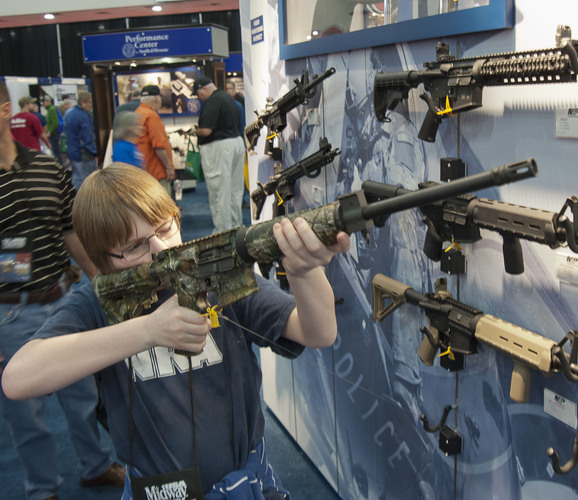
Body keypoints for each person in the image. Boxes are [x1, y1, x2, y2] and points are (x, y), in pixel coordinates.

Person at [1, 163, 351, 499]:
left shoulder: (215, 273)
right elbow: (18, 379)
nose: (161, 250)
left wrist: (304, 272)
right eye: (135, 246)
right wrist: (147, 331)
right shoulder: (95, 305)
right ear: (104, 260)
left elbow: (318, 333)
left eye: (165, 228)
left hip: (248, 481)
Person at [0, 79, 125, 500]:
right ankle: (41, 489)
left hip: (62, 299)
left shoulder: (47, 167)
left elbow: (70, 231)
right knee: (26, 413)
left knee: (83, 394)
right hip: (9, 313)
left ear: (5, 110)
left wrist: (100, 283)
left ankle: (94, 466)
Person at [192, 76, 245, 232]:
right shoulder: (228, 99)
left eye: (198, 94)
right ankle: (236, 229)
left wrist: (195, 131)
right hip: (236, 143)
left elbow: (206, 131)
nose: (198, 98)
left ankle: (222, 233)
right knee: (235, 191)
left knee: (219, 191)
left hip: (219, 148)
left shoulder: (213, 101)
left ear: (203, 88)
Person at [135, 85, 176, 196]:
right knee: (162, 209)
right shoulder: (151, 116)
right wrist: (169, 168)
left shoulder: (137, 113)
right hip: (156, 173)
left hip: (143, 173)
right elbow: (159, 145)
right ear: (157, 99)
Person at [64, 91, 98, 189]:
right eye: (90, 102)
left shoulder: (69, 112)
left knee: (77, 178)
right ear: (82, 102)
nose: (91, 105)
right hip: (84, 154)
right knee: (91, 181)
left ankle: (77, 199)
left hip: (72, 152)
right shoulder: (83, 116)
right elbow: (87, 137)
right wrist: (95, 153)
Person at [44, 95, 65, 163]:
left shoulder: (51, 109)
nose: (43, 104)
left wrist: (49, 131)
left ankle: (60, 166)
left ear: (48, 101)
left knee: (56, 152)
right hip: (53, 133)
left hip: (54, 134)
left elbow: (55, 123)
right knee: (56, 151)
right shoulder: (50, 109)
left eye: (44, 102)